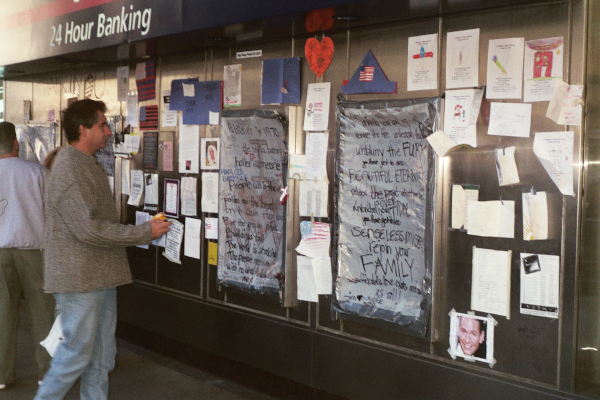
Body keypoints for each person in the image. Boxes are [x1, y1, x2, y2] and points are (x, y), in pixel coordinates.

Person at [35, 99, 171, 400]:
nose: (109, 131)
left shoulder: (85, 163)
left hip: (99, 278)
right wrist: (143, 232)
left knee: (101, 358)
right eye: (102, 125)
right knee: (75, 354)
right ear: (83, 129)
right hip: (80, 281)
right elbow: (88, 228)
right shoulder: (70, 167)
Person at [0, 122, 56, 390]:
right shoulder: (38, 171)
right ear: (16, 144)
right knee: (42, 312)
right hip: (34, 251)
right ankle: (46, 373)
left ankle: (2, 375)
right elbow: (52, 214)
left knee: (2, 313)